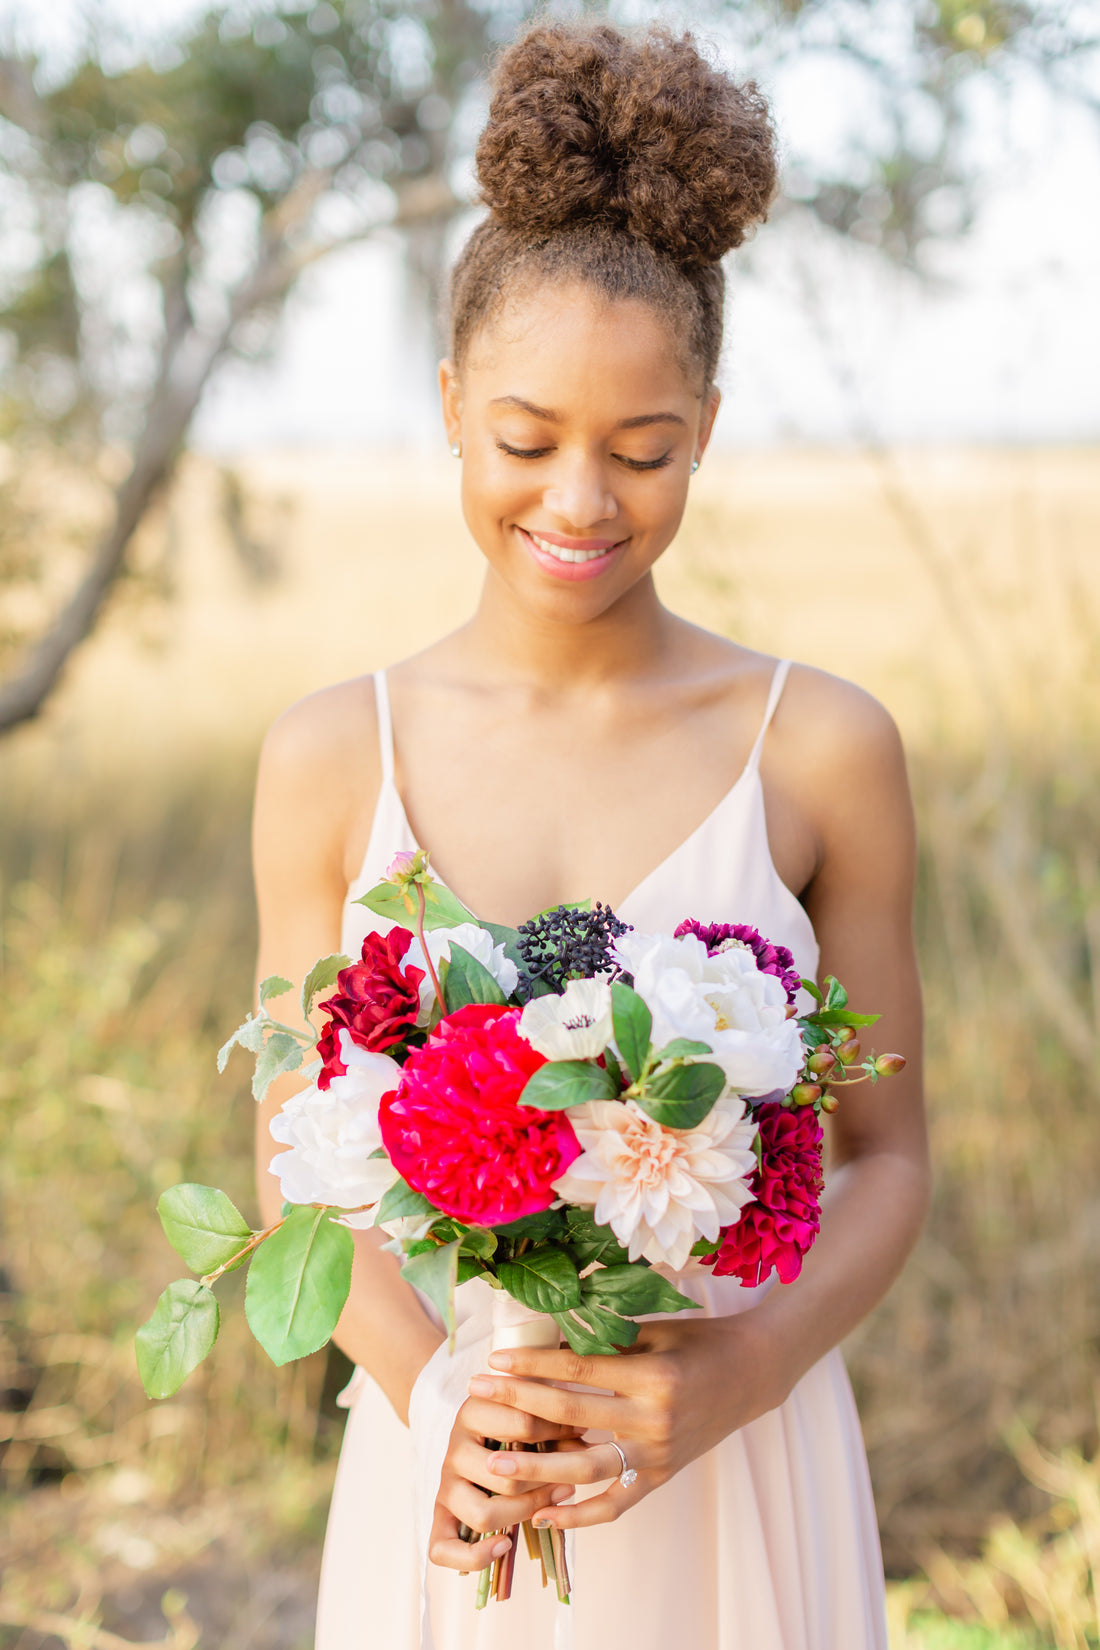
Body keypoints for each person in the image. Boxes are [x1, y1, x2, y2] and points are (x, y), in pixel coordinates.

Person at [252, 19, 929, 1650]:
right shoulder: (336, 752)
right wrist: (441, 1399)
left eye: (643, 451)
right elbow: (294, 1177)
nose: (579, 502)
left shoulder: (822, 747)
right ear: (448, 405)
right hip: (451, 1488)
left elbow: (891, 1159)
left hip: (733, 1474)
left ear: (704, 421)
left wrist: (744, 1369)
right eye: (525, 438)